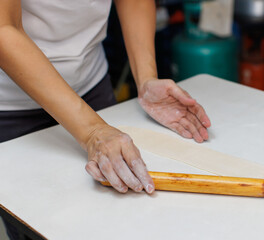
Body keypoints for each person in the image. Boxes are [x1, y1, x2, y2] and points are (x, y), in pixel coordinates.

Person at [0, 1, 211, 239]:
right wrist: (93, 132)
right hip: (11, 107)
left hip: (91, 86)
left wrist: (146, 78)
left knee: (116, 221)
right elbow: (3, 30)